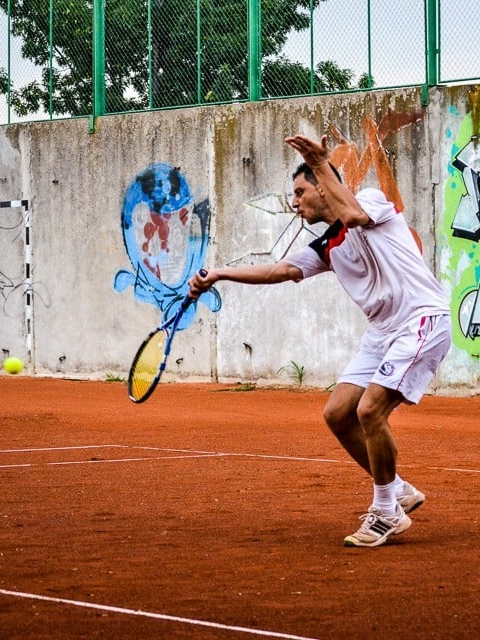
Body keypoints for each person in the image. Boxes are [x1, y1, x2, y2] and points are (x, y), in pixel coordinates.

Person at [188, 133, 451, 547]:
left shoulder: (371, 202)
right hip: (382, 333)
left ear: (321, 185)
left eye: (299, 191)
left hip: (420, 321)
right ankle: (397, 488)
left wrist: (322, 163)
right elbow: (280, 271)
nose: (294, 203)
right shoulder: (327, 245)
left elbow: (354, 217)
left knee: (369, 412)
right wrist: (219, 273)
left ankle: (386, 513)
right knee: (337, 414)